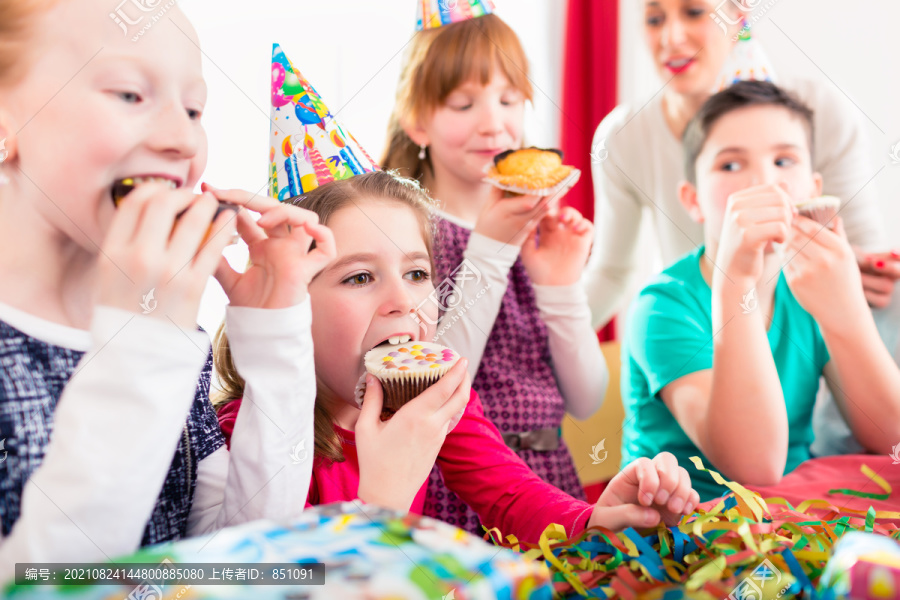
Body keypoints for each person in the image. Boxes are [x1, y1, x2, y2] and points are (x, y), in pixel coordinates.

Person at [0, 0, 333, 581]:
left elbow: (233, 557)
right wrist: (145, 347)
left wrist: (274, 331)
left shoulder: (172, 334)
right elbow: (44, 586)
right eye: (130, 94)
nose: (182, 139)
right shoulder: (149, 338)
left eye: (194, 108)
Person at [216, 170, 699, 543]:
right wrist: (380, 499)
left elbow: (510, 495)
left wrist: (597, 522)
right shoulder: (253, 435)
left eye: (417, 273)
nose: (402, 301)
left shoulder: (434, 395)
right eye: (360, 277)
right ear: (290, 307)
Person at [380, 9, 607, 535]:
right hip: (462, 491)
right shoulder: (409, 237)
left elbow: (586, 399)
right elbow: (430, 382)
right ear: (417, 121)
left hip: (551, 480)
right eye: (464, 102)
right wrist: (489, 253)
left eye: (509, 100)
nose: (494, 122)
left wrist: (561, 285)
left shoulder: (538, 231)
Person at [622, 81, 900, 501]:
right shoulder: (662, 309)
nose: (764, 183)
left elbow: (891, 438)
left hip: (796, 521)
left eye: (784, 160)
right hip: (688, 530)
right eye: (731, 166)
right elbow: (755, 468)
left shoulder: (809, 288)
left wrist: (846, 310)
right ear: (692, 200)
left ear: (813, 187)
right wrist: (736, 283)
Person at [586, 0, 893, 331]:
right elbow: (611, 272)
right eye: (655, 18)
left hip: (806, 332)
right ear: (691, 197)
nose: (671, 37)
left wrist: (858, 268)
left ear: (739, 16)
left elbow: (865, 248)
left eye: (694, 12)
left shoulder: (823, 110)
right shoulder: (622, 139)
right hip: (699, 335)